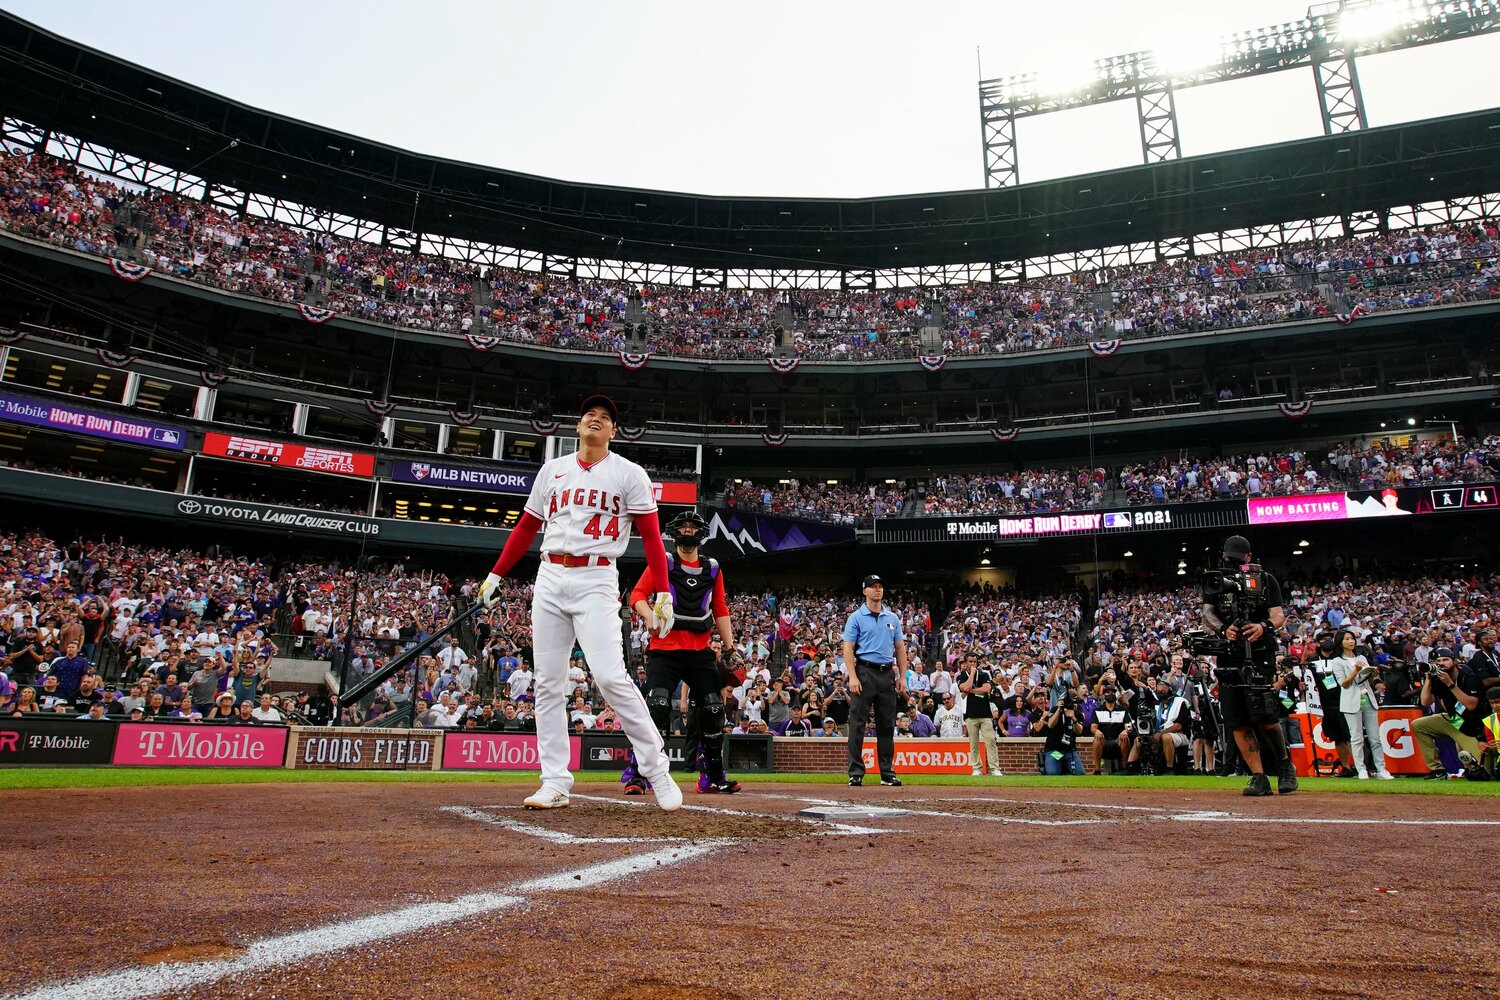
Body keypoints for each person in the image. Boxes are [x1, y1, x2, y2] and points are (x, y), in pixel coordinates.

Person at [478, 394, 681, 812]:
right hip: (550, 574)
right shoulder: (553, 470)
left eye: (605, 417)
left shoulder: (629, 473)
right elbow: (526, 526)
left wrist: (663, 591)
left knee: (610, 676)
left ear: (613, 431)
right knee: (549, 684)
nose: (596, 419)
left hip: (597, 576)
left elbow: (652, 538)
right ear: (578, 425)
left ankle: (656, 768)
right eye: (590, 414)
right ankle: (554, 781)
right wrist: (496, 574)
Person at [621, 510, 742, 795]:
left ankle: (712, 774)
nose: (688, 531)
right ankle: (639, 773)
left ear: (701, 533)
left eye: (693, 526)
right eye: (683, 526)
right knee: (658, 705)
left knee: (714, 708)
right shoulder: (662, 562)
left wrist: (729, 648)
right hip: (665, 650)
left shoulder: (712, 568)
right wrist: (649, 615)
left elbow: (720, 608)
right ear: (675, 532)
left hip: (700, 650)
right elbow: (637, 595)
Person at [1200, 535, 1297, 797]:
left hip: (1259, 651)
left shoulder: (1266, 580)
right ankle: (1258, 776)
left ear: (1249, 559)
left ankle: (1285, 766)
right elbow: (1208, 612)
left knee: (1264, 716)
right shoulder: (1217, 579)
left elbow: (1278, 615)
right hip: (1230, 653)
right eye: (1227, 559)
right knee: (1236, 720)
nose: (1230, 564)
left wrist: (1262, 626)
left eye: (1236, 559)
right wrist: (1223, 629)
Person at [841, 575, 908, 787]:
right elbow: (848, 648)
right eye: (873, 587)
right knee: (858, 723)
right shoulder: (856, 617)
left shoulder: (892, 618)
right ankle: (856, 772)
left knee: (887, 724)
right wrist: (852, 676)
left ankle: (887, 772)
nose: (877, 590)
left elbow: (900, 648)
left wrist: (902, 677)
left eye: (880, 586)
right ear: (865, 591)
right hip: (864, 671)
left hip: (887, 672)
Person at [1411, 647, 1487, 779]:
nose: (1442, 663)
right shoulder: (1438, 679)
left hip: (1473, 725)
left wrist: (1450, 684)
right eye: (1438, 661)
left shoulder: (1468, 676)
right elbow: (1425, 702)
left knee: (1479, 768)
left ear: (1455, 661)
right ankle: (1437, 770)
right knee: (1418, 725)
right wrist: (1428, 680)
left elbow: (1471, 705)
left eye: (1445, 659)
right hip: (1454, 719)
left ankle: (1470, 764)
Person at [1330, 629, 1394, 780]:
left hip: (1368, 698)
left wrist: (1372, 674)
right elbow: (1343, 683)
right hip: (1351, 700)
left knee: (1375, 737)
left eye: (1352, 638)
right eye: (1347, 639)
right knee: (1356, 737)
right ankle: (1361, 769)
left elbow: (1367, 679)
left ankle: (1381, 769)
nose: (1351, 641)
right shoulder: (1337, 661)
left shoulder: (1362, 657)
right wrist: (1355, 671)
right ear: (1341, 642)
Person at [1306, 633, 1358, 777]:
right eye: (1323, 639)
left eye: (1329, 639)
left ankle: (1359, 766)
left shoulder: (1340, 659)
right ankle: (1346, 767)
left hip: (1344, 700)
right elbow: (1309, 682)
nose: (1327, 642)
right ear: (1318, 643)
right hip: (1327, 705)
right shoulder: (1314, 661)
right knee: (1337, 737)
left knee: (1349, 736)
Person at [955, 653, 1003, 776]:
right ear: (965, 663)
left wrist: (970, 691)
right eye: (970, 661)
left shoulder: (984, 674)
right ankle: (976, 768)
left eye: (974, 662)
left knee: (990, 741)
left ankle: (994, 768)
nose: (972, 664)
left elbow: (986, 689)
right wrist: (971, 674)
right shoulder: (961, 676)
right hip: (970, 714)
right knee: (973, 743)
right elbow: (964, 687)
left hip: (985, 713)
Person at [1038, 686, 1085, 775]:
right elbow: (1050, 725)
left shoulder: (1078, 714)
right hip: (1054, 750)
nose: (1074, 705)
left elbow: (1079, 731)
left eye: (1076, 703)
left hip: (1069, 750)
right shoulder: (1055, 710)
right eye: (1072, 703)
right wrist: (1059, 709)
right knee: (1053, 773)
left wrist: (1073, 718)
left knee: (1080, 773)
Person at [1152, 676, 1191, 774]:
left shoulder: (1181, 702)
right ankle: (1130, 766)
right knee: (1139, 740)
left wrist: (1160, 734)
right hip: (1159, 732)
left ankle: (1170, 768)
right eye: (1158, 691)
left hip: (1181, 734)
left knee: (1166, 737)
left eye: (1163, 692)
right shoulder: (1157, 704)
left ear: (1170, 691)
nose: (1160, 694)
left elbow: (1178, 726)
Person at [1089, 684, 1131, 775]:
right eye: (1108, 692)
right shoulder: (1098, 710)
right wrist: (1097, 731)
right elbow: (1093, 727)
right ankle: (1097, 769)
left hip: (1118, 739)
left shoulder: (1123, 710)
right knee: (1097, 738)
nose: (1111, 694)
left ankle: (1125, 767)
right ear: (1104, 695)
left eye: (1113, 692)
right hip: (1104, 740)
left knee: (1125, 738)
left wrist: (1125, 731)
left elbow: (1128, 726)